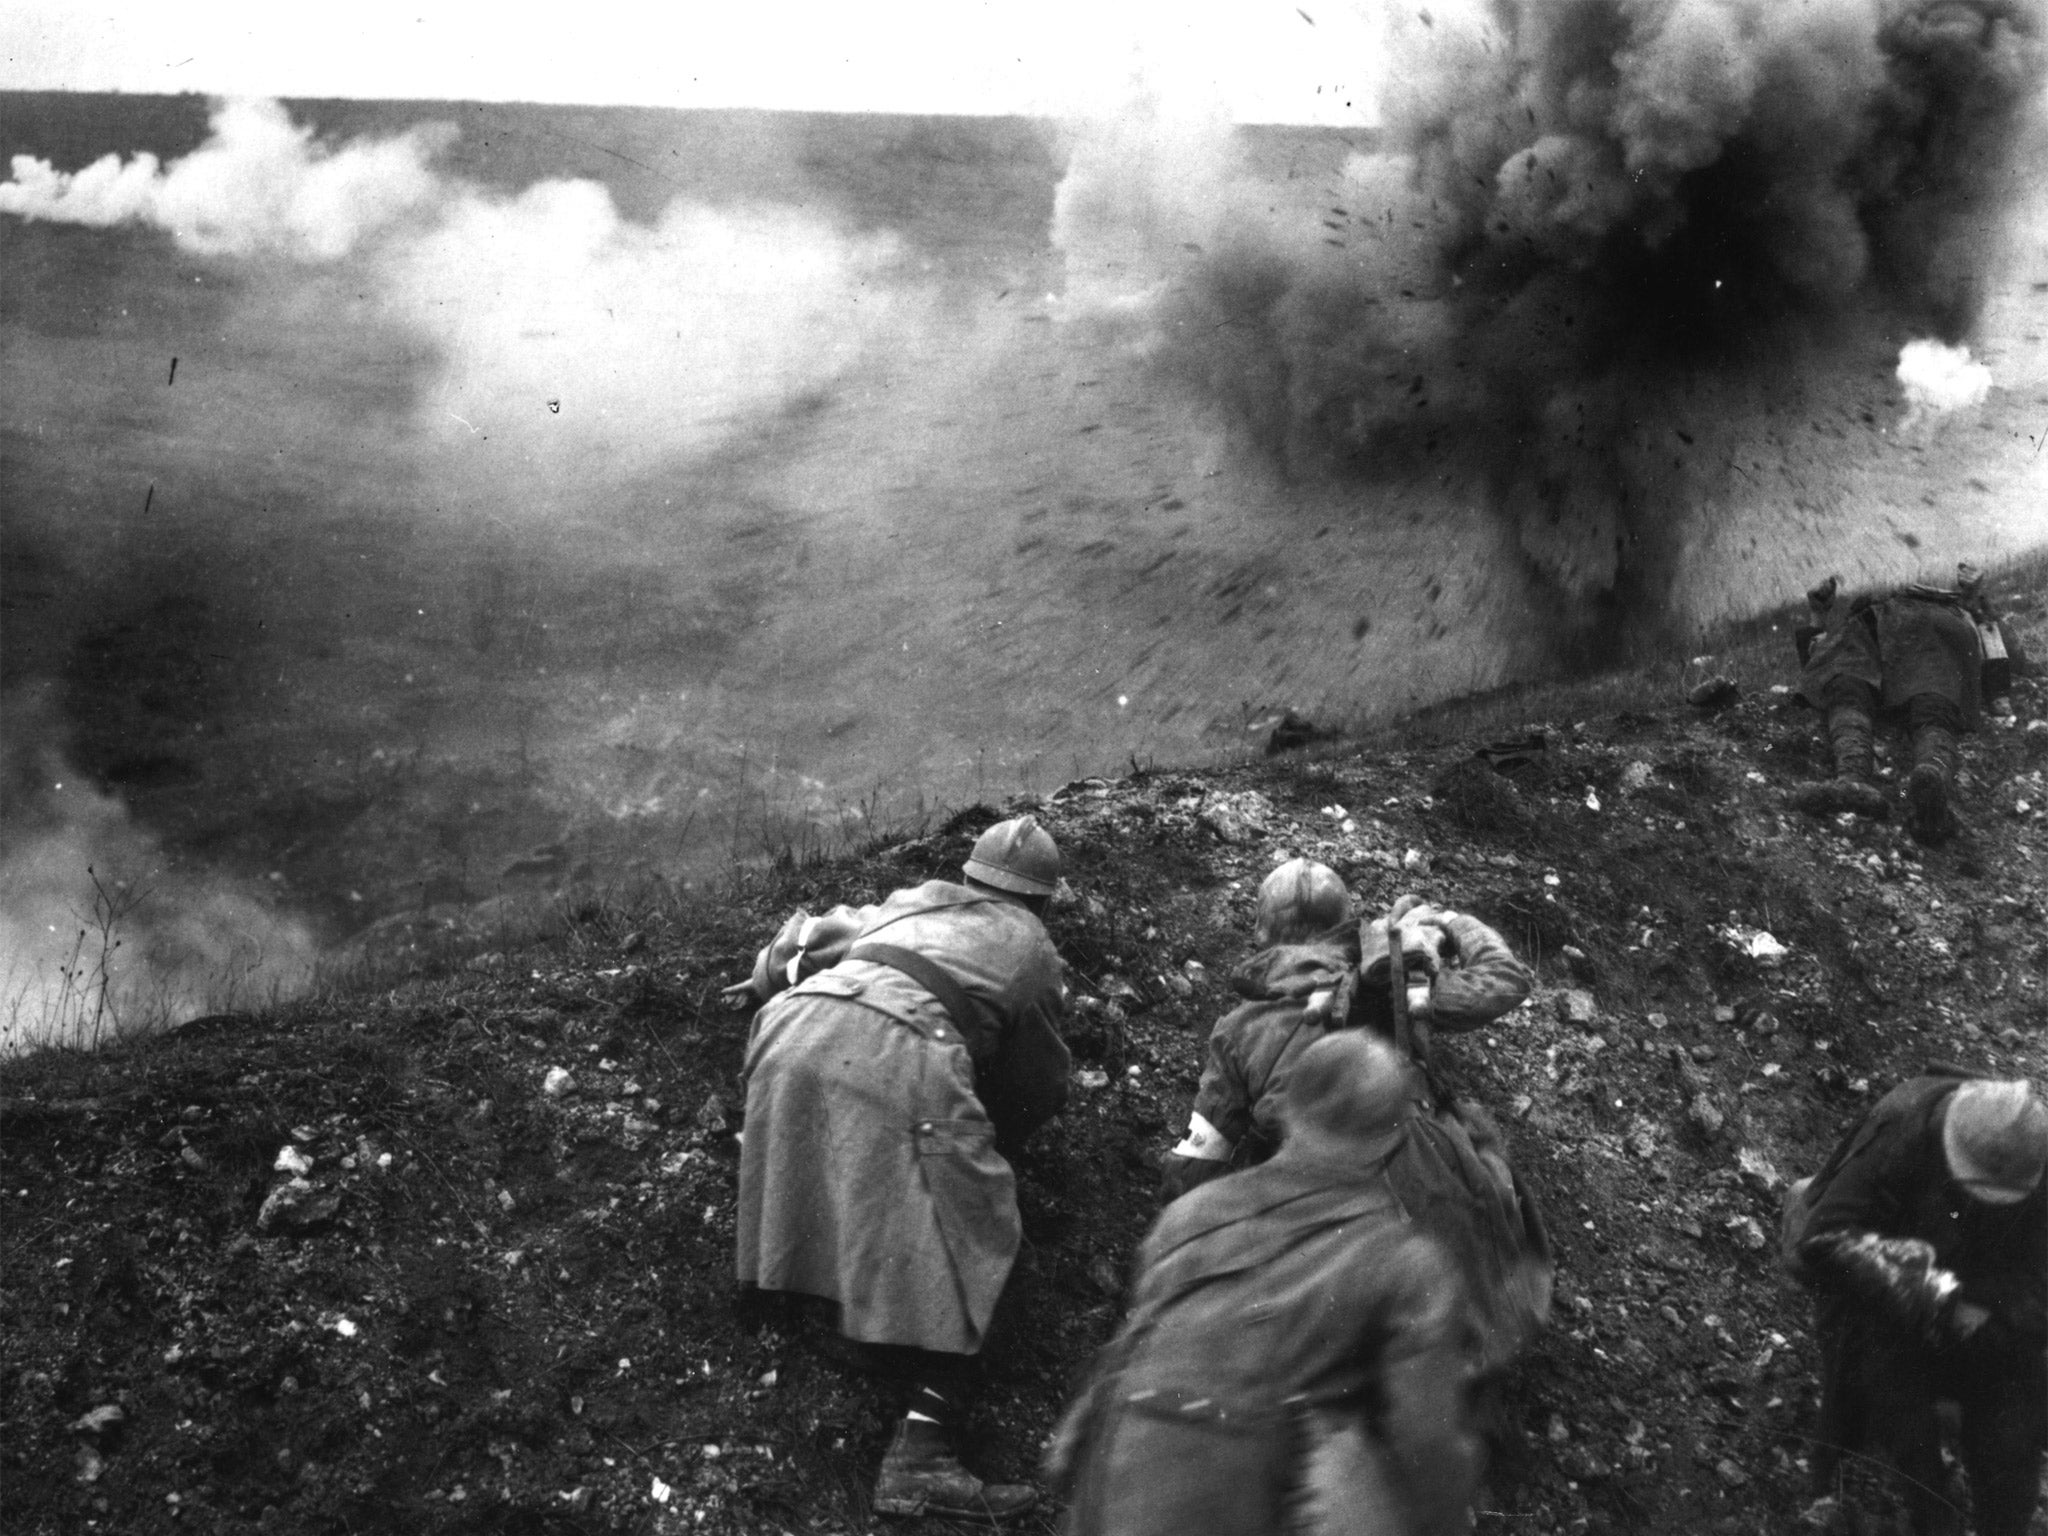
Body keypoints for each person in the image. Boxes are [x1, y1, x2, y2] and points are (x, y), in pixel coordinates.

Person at [727, 815, 1072, 1520]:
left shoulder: (910, 900)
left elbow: (806, 936)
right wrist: (990, 1141)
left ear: (970, 876)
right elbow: (1038, 1088)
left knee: (818, 1164)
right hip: (901, 1054)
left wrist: (763, 977)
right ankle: (922, 1459)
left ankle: (785, 1303)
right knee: (981, 1235)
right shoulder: (1032, 947)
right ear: (1042, 900)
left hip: (789, 1028)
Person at [1781, 1071, 2047, 1536]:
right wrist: (1931, 1295)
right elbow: (1823, 1239)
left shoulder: (2036, 1153)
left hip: (1992, 1311)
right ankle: (1908, 1505)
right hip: (1891, 1309)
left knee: (2015, 1431)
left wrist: (1996, 1319)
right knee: (1891, 1406)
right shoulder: (1904, 1128)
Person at [1160, 870, 1533, 1199]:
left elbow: (1200, 1160)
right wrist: (1454, 922)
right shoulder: (1398, 986)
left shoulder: (1238, 1027)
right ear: (1345, 925)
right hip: (1400, 1200)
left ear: (1261, 933)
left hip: (1286, 1198)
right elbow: (1504, 981)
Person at [1789, 564, 2027, 841]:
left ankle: (1855, 780)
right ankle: (1917, 782)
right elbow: (1821, 664)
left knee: (1852, 687)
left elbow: (1818, 664)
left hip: (1885, 625)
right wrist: (1979, 602)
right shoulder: (1955, 613)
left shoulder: (1947, 611)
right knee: (1921, 700)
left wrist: (1818, 614)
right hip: (1889, 625)